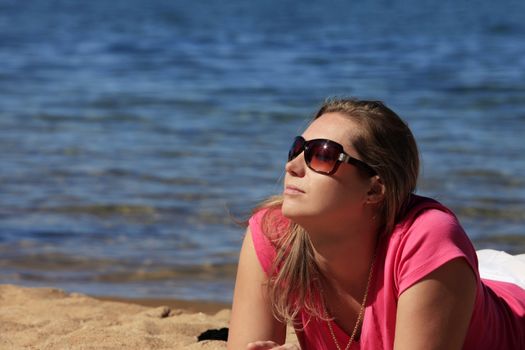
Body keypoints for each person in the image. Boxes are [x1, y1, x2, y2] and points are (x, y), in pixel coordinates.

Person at [227, 98, 525, 350]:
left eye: (322, 155)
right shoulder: (274, 233)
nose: (292, 167)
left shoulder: (428, 237)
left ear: (374, 189)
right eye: (297, 149)